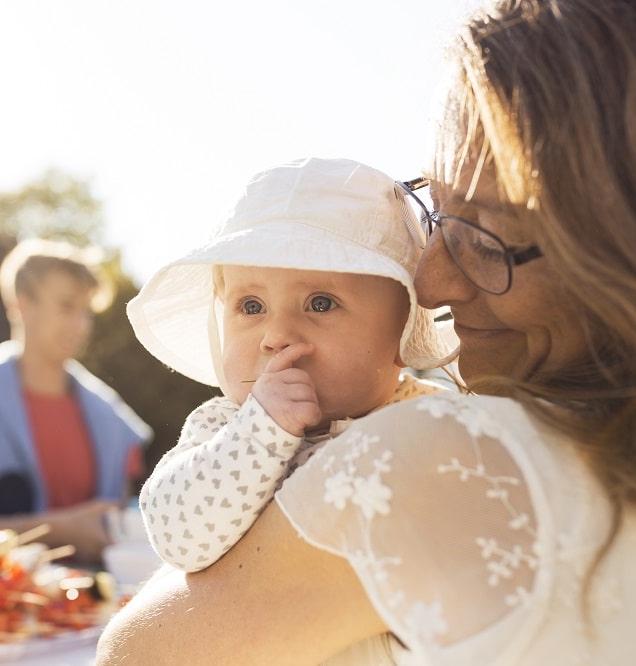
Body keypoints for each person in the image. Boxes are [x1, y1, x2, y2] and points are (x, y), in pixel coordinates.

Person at [96, 0, 636, 663]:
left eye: (485, 236)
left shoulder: (441, 457)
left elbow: (133, 655)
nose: (432, 285)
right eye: (437, 218)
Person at [127, 157, 458, 572]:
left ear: (402, 330)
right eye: (251, 306)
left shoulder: (431, 418)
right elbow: (176, 536)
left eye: (320, 303)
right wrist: (260, 434)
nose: (276, 335)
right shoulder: (223, 428)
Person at [0, 238, 153, 566]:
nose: (81, 325)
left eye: (85, 311)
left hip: (95, 610)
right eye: (67, 306)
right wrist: (59, 528)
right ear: (21, 304)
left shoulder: (114, 421)